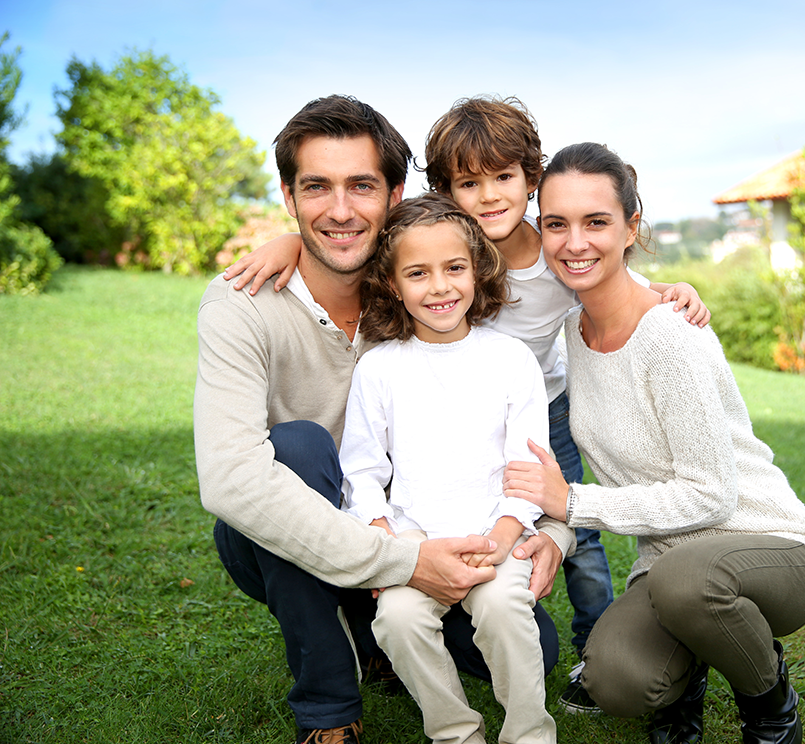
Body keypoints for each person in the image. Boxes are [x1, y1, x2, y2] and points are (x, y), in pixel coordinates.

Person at [224, 96, 711, 712]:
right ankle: (398, 626)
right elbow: (351, 240)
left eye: (504, 178)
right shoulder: (436, 249)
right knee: (435, 511)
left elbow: (610, 273)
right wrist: (286, 244)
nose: (488, 197)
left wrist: (671, 290)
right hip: (449, 421)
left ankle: (594, 646)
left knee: (577, 538)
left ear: (531, 182)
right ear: (446, 193)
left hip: (543, 411)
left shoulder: (556, 255)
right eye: (469, 183)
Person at [194, 95, 573, 744]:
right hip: (310, 533)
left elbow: (525, 446)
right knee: (301, 449)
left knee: (528, 640)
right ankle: (330, 708)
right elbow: (235, 482)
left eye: (361, 187)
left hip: (453, 529)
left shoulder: (409, 282)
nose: (340, 210)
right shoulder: (246, 300)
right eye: (316, 188)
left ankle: (382, 641)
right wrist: (398, 559)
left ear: (394, 196)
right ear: (288, 195)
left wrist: (548, 534)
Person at [502, 142, 805, 744]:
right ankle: (692, 668)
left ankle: (770, 704)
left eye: (596, 222)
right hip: (670, 568)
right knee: (614, 679)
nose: (575, 242)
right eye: (557, 224)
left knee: (689, 582)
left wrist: (571, 503)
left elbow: (710, 496)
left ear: (631, 227)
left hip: (773, 549)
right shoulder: (572, 335)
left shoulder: (671, 333)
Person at [341, 192, 556, 744]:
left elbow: (527, 465)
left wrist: (506, 532)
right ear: (392, 283)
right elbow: (362, 469)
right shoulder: (379, 368)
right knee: (398, 620)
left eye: (455, 267)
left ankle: (529, 733)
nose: (439, 287)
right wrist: (383, 536)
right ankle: (455, 733)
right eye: (418, 272)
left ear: (478, 271)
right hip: (415, 541)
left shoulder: (510, 359)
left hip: (495, 531)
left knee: (507, 607)